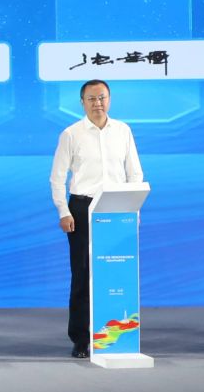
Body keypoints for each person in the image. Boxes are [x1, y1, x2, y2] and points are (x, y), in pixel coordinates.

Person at [49, 80, 143, 358]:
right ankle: (81, 338)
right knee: (82, 274)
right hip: (82, 208)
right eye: (91, 98)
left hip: (117, 207)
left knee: (118, 272)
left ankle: (117, 333)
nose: (97, 103)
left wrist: (134, 209)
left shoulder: (123, 131)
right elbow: (57, 177)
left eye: (102, 97)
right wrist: (63, 211)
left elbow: (134, 173)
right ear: (82, 102)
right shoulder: (71, 134)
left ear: (109, 99)